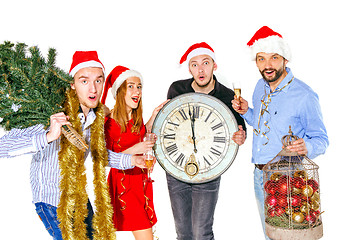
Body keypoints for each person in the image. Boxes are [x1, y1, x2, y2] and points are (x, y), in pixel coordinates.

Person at [0, 51, 146, 240]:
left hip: (79, 197)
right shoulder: (52, 114)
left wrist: (132, 160)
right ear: (72, 84)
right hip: (52, 201)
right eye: (84, 81)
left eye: (98, 81)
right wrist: (49, 135)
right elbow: (3, 146)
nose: (93, 89)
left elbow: (99, 154)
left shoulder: (94, 118)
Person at [232, 26, 329, 239]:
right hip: (260, 175)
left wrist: (307, 146)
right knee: (271, 235)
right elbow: (263, 125)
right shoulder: (260, 86)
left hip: (290, 177)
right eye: (261, 59)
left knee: (291, 236)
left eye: (274, 57)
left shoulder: (304, 95)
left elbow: (322, 139)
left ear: (285, 59)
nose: (267, 65)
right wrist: (246, 112)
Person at [166, 42, 247, 240]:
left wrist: (240, 136)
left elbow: (239, 131)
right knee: (183, 233)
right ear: (189, 68)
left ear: (214, 66)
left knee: (202, 233)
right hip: (176, 169)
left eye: (205, 63)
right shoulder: (177, 89)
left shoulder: (227, 95)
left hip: (209, 171)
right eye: (194, 64)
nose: (200, 69)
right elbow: (168, 124)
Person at [100, 65, 167, 240]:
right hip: (124, 183)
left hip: (141, 181)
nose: (136, 90)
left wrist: (153, 117)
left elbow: (141, 136)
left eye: (139, 86)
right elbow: (106, 158)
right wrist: (135, 151)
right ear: (120, 91)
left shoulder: (137, 118)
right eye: (130, 86)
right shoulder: (109, 121)